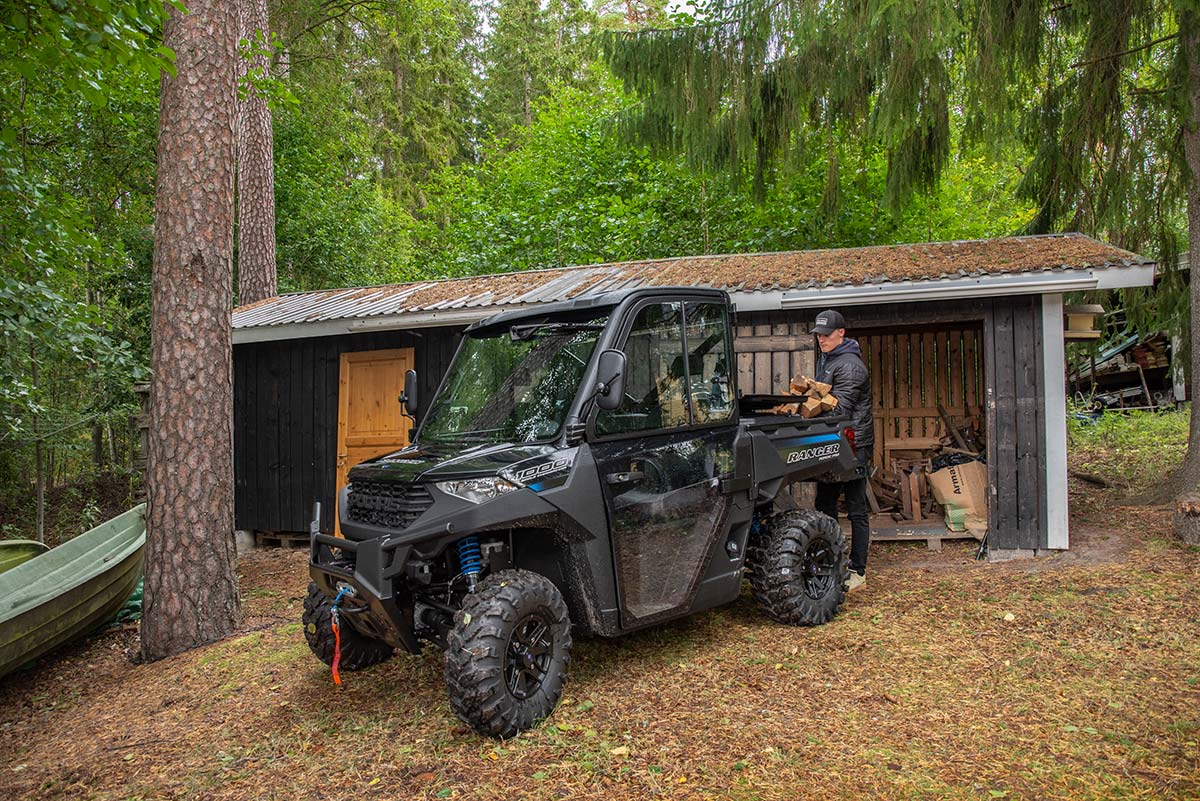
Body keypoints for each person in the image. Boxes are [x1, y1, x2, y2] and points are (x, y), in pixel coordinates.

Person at [810, 309, 874, 592]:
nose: (821, 339)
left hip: (852, 443)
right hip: (833, 442)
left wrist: (810, 398)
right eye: (819, 335)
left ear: (841, 333)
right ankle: (831, 564)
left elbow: (841, 407)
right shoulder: (829, 359)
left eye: (826, 334)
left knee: (856, 508)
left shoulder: (849, 365)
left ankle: (857, 571)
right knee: (824, 505)